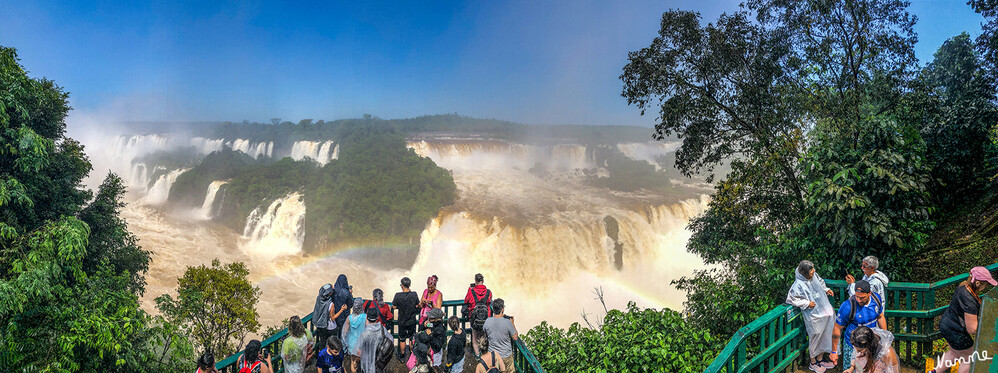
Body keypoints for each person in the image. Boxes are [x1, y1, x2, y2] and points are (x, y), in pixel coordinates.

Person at [931, 266, 996, 373]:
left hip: (946, 324)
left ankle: (934, 372)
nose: (986, 287)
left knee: (955, 352)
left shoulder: (963, 287)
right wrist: (986, 328)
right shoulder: (969, 301)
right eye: (986, 284)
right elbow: (972, 329)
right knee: (969, 357)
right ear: (978, 283)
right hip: (956, 331)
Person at [786, 260, 836, 371]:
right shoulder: (798, 284)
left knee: (826, 333)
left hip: (823, 310)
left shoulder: (814, 276)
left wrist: (826, 289)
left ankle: (820, 358)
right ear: (804, 272)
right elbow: (792, 299)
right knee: (815, 336)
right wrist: (806, 303)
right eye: (811, 270)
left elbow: (821, 282)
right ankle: (813, 362)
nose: (814, 271)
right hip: (812, 315)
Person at [831, 280, 886, 371]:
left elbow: (880, 316)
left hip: (870, 343)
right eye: (856, 297)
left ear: (869, 293)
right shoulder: (848, 306)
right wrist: (834, 351)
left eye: (862, 297)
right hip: (852, 345)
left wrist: (884, 337)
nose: (859, 300)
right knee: (850, 369)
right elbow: (837, 327)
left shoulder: (876, 299)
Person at [482, 299, 518, 373]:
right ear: (502, 309)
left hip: (493, 357)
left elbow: (484, 333)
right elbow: (515, 337)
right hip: (506, 356)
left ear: (494, 309)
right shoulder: (508, 322)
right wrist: (512, 323)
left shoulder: (487, 321)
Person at [357, 307, 394, 373]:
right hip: (378, 362)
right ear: (377, 318)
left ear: (367, 318)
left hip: (366, 363)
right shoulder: (382, 329)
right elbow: (391, 340)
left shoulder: (364, 333)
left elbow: (359, 352)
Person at [464, 273, 493, 357]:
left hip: (474, 318)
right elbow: (489, 301)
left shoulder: (471, 291)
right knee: (484, 336)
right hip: (485, 318)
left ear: (475, 281)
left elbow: (466, 301)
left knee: (475, 337)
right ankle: (485, 354)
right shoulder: (488, 292)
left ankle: (477, 355)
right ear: (483, 281)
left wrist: (470, 289)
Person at [393, 276, 420, 362]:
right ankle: (412, 355)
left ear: (402, 286)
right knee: (412, 338)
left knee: (402, 339)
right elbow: (417, 305)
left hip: (402, 321)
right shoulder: (414, 294)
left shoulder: (398, 295)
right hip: (412, 320)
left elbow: (393, 307)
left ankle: (402, 356)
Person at [341, 298, 366, 373]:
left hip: (352, 344)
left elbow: (344, 332)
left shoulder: (349, 318)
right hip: (362, 344)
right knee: (362, 363)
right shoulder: (365, 317)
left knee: (353, 363)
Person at [313, 284, 336, 352]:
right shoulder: (329, 302)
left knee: (322, 341)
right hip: (326, 325)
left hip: (318, 323)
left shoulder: (319, 298)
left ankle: (320, 355)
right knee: (329, 342)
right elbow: (332, 317)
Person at [332, 275, 353, 339]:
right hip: (344, 316)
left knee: (334, 333)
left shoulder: (333, 291)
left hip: (334, 315)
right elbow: (351, 304)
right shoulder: (347, 293)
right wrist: (350, 294)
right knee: (343, 333)